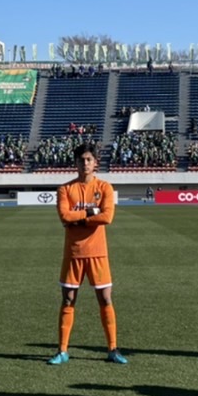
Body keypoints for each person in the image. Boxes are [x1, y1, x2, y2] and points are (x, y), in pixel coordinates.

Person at [49, 143, 126, 365]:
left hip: (98, 253)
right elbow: (65, 216)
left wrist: (79, 218)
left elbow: (107, 217)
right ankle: (62, 350)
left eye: (89, 159)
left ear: (95, 163)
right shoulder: (65, 189)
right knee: (68, 299)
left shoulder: (105, 187)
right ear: (75, 163)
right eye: (81, 160)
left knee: (105, 299)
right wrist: (92, 212)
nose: (85, 163)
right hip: (73, 253)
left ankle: (113, 349)